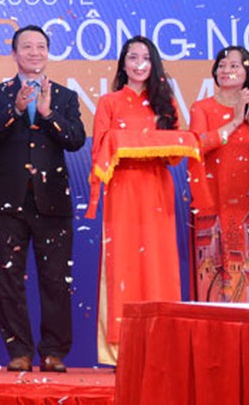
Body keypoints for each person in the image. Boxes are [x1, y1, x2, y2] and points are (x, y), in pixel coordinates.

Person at [0, 25, 86, 373]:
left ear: (48, 53)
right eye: (27, 47)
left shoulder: (65, 96)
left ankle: (54, 352)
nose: (34, 52)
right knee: (9, 280)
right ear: (14, 53)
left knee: (55, 280)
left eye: (40, 46)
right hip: (7, 201)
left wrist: (49, 114)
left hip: (52, 201)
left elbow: (76, 140)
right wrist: (14, 109)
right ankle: (19, 351)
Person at [90, 35, 181, 365]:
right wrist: (130, 141)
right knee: (123, 265)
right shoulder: (109, 102)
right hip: (122, 192)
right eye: (132, 57)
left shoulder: (165, 103)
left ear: (153, 64)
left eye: (145, 58)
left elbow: (175, 155)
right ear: (123, 64)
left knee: (158, 266)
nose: (139, 64)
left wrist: (157, 135)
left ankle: (161, 347)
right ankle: (120, 351)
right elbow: (99, 152)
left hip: (157, 192)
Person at [189, 46, 249, 302]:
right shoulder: (202, 108)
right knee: (214, 280)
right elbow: (198, 146)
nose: (226, 70)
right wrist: (235, 121)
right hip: (213, 201)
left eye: (234, 65)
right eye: (222, 65)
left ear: (248, 72)